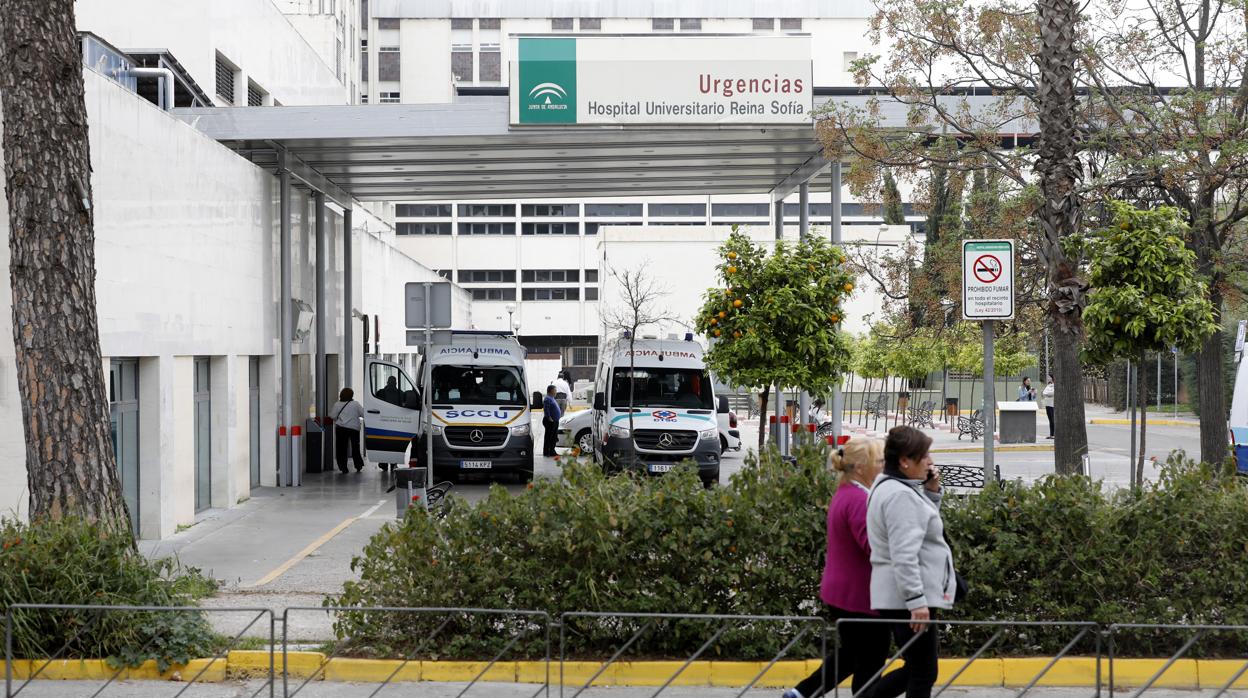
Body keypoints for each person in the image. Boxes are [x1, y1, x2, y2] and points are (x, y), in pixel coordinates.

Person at [785, 438, 890, 698]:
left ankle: (801, 693)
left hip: (843, 592)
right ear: (861, 467)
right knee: (870, 659)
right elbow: (873, 546)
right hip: (860, 596)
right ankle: (803, 693)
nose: (883, 465)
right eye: (879, 461)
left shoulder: (847, 492)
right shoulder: (858, 500)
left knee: (854, 655)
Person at [866, 425, 957, 698]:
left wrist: (931, 492)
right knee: (922, 671)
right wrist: (916, 601)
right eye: (924, 455)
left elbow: (924, 527)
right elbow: (904, 554)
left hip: (900, 595)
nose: (930, 461)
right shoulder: (899, 495)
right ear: (905, 461)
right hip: (906, 597)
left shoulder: (894, 486)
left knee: (919, 668)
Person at [329, 388, 366, 473]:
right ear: (351, 395)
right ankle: (358, 465)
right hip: (354, 429)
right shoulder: (356, 404)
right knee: (355, 447)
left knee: (341, 449)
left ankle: (343, 468)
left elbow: (333, 416)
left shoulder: (337, 404)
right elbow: (363, 414)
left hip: (341, 429)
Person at [542, 384, 562, 457]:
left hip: (555, 420)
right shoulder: (547, 398)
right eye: (555, 390)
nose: (556, 391)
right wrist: (549, 417)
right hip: (550, 421)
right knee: (549, 437)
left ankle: (552, 451)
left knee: (553, 437)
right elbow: (546, 409)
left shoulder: (552, 398)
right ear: (551, 391)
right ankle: (547, 452)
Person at [1041, 375, 1055, 439]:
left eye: (1050, 377)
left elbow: (1052, 393)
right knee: (1050, 420)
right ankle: (1051, 434)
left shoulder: (1055, 385)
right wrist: (1048, 394)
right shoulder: (1048, 385)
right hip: (1047, 405)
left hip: (1053, 405)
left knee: (1053, 420)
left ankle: (1054, 434)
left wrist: (1047, 394)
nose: (1048, 378)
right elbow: (1043, 393)